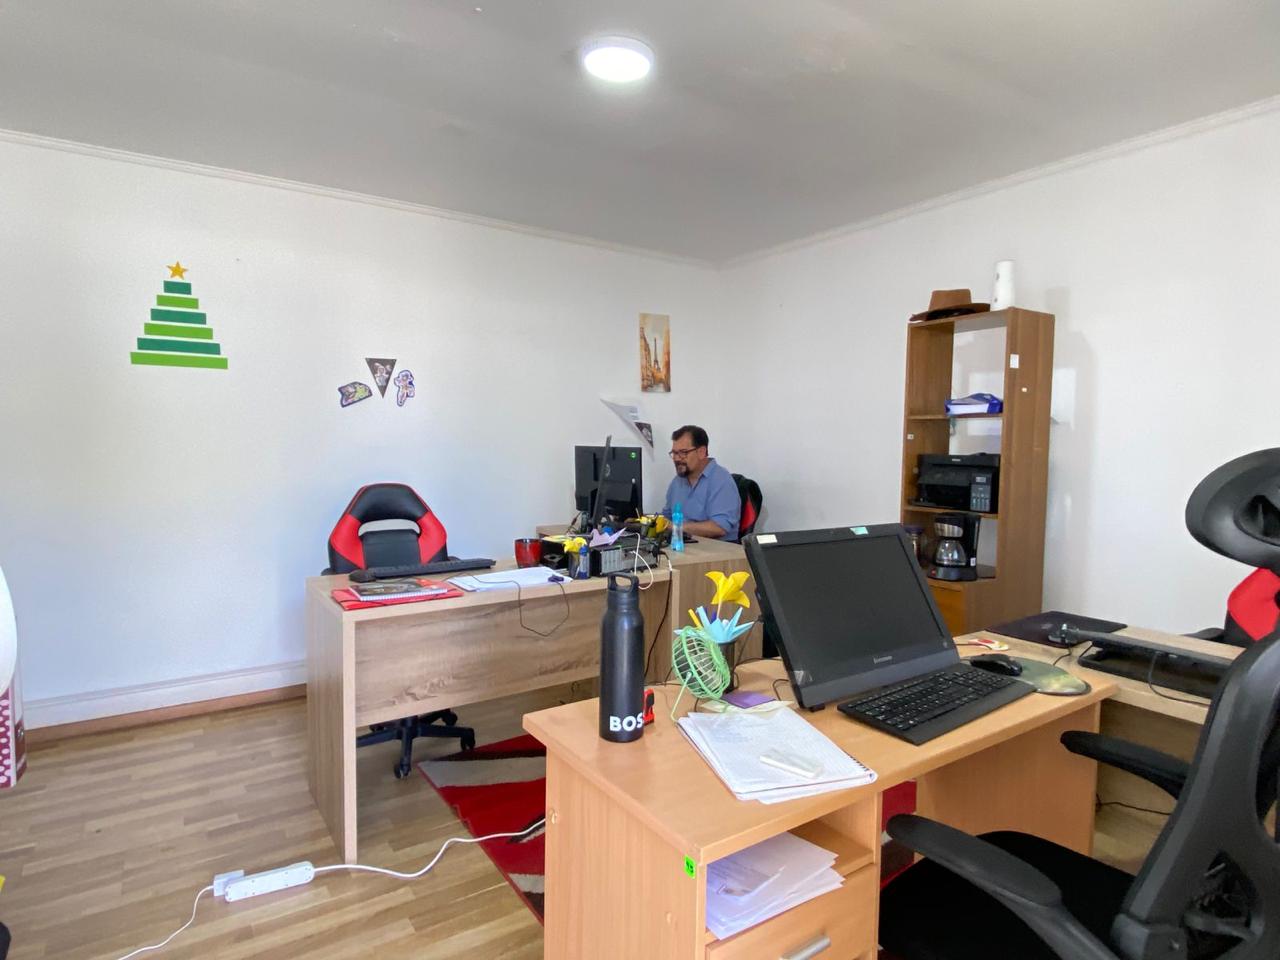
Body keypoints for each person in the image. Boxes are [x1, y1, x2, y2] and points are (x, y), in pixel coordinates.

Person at [663, 425, 742, 541]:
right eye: (674, 453)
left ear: (701, 452)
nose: (677, 458)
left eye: (683, 453)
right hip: (683, 544)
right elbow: (667, 517)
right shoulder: (677, 482)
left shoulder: (721, 480)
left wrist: (676, 527)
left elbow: (719, 528)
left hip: (716, 548)